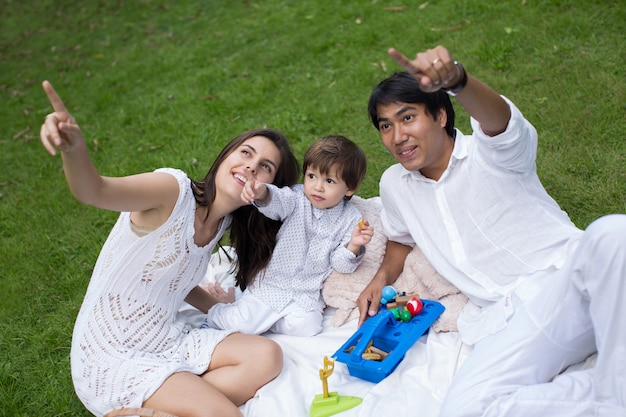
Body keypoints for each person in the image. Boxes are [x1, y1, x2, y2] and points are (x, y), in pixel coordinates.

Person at [356, 45, 626, 416]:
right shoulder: (394, 185)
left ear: (439, 115)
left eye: (407, 118)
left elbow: (500, 121)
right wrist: (381, 277)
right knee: (465, 409)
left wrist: (457, 81)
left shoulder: (492, 153)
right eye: (386, 126)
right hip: (508, 317)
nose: (396, 136)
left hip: (568, 281)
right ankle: (610, 393)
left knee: (614, 234)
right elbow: (401, 238)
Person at [39, 80, 300, 417]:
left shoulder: (221, 222)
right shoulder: (172, 191)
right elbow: (95, 190)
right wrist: (73, 150)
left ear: (267, 190)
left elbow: (175, 277)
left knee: (267, 356)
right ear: (226, 157)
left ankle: (154, 409)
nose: (251, 165)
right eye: (246, 153)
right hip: (111, 351)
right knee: (225, 415)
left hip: (166, 337)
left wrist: (214, 307)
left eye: (266, 166)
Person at [204, 135, 374, 336]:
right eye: (312, 176)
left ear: (349, 188)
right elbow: (277, 201)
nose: (317, 187)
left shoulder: (351, 218)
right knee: (243, 324)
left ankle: (264, 320)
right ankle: (219, 313)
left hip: (306, 293)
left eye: (329, 181)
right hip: (272, 285)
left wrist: (354, 245)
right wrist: (262, 192)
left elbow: (340, 264)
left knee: (308, 327)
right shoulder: (297, 197)